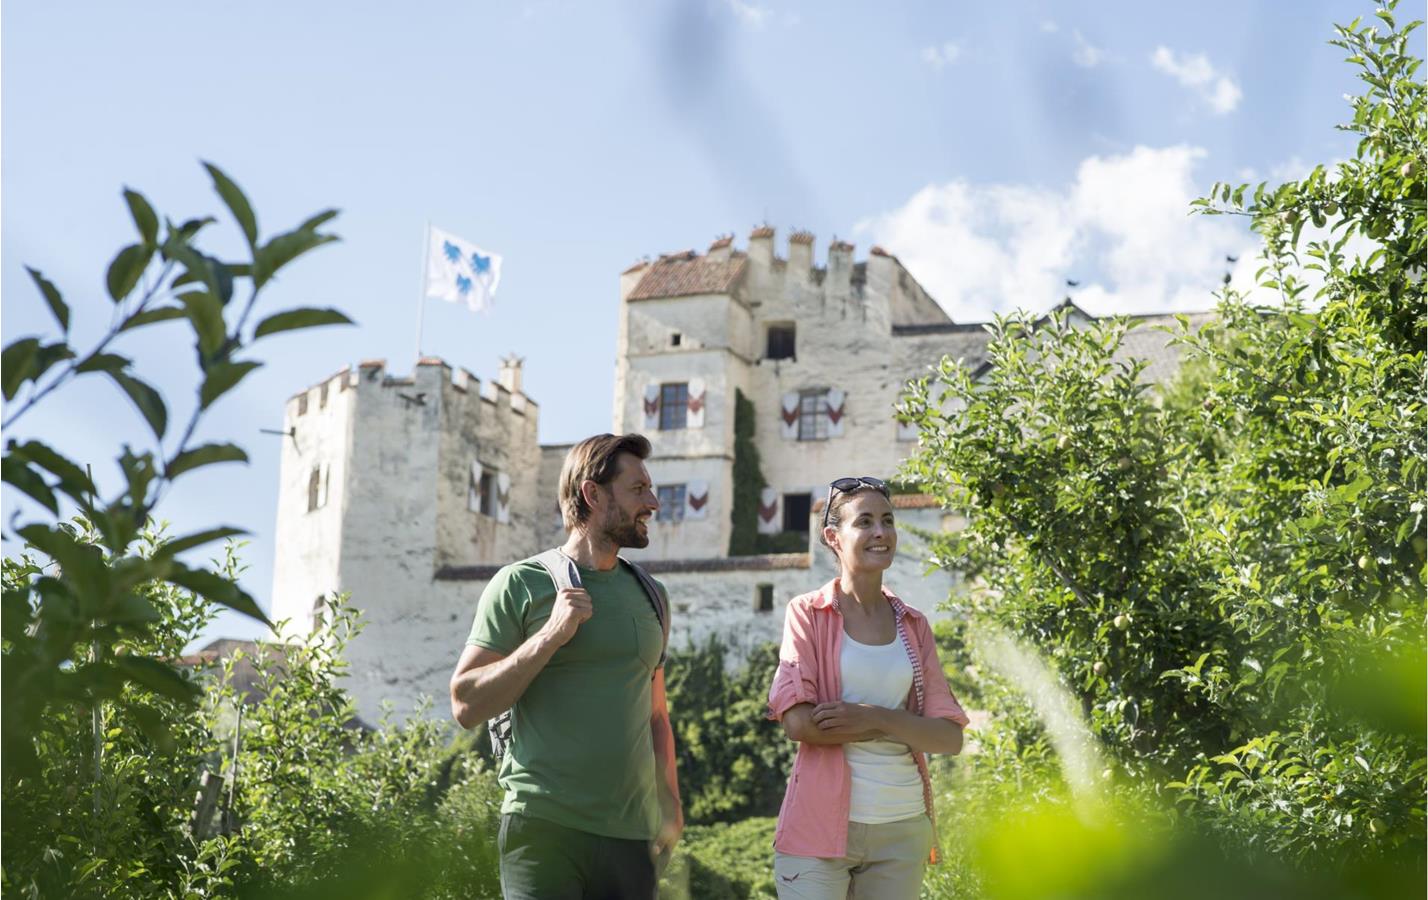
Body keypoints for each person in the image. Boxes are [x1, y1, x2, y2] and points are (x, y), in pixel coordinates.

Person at [450, 433, 682, 900]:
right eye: (638, 489)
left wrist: (671, 804)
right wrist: (551, 636)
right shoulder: (520, 583)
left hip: (632, 838)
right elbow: (466, 703)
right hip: (542, 828)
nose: (653, 502)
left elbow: (656, 714)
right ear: (592, 494)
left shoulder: (653, 596)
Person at [766, 475, 969, 899]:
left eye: (888, 520)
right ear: (833, 537)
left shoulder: (913, 625)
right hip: (818, 830)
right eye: (865, 522)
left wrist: (870, 717)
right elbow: (800, 723)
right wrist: (903, 725)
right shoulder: (807, 614)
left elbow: (949, 737)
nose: (881, 532)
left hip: (902, 824)